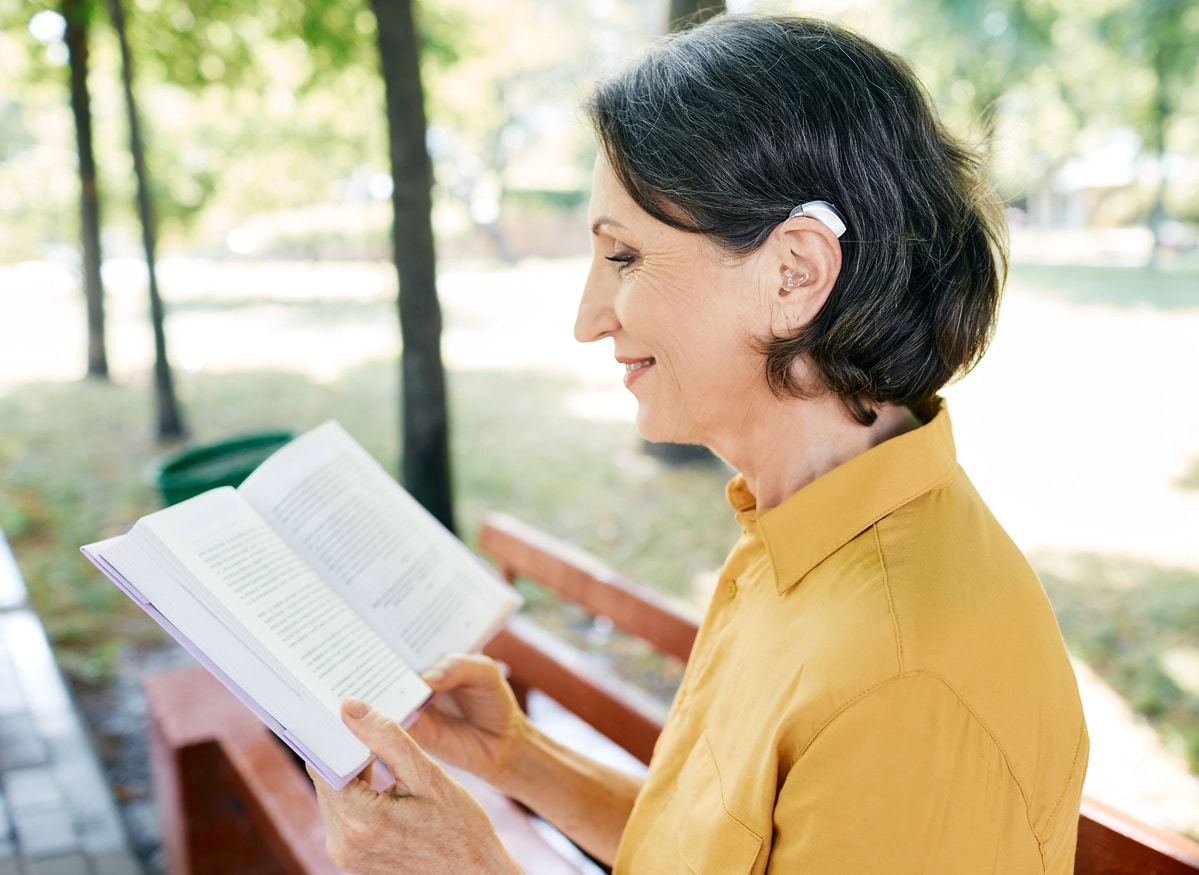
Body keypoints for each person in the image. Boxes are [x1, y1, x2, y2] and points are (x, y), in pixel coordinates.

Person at [309, 13, 1089, 873]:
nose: (587, 318)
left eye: (625, 256)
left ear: (793, 272)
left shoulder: (905, 682)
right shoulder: (802, 532)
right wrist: (518, 759)